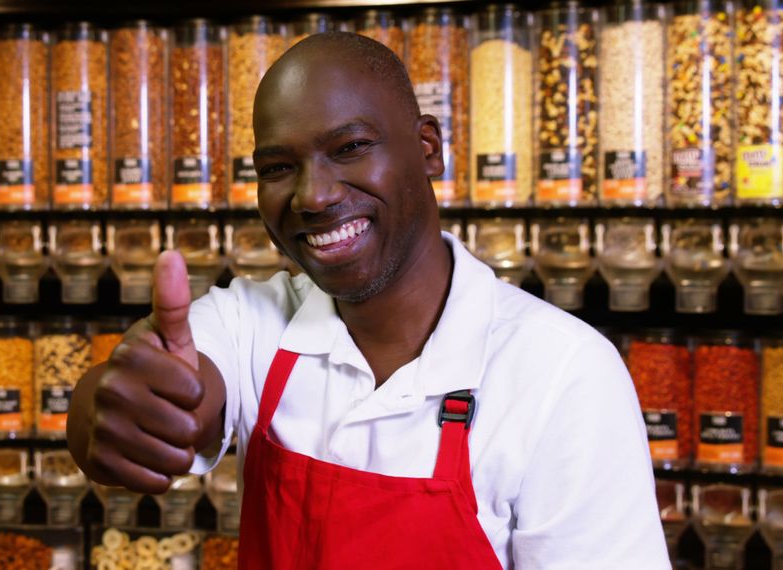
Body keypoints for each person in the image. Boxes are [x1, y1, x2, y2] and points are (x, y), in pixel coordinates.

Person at [68, 32, 669, 568]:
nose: (314, 195)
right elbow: (170, 387)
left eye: (350, 148)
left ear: (428, 148)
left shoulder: (563, 373)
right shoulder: (249, 321)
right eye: (278, 167)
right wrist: (120, 414)